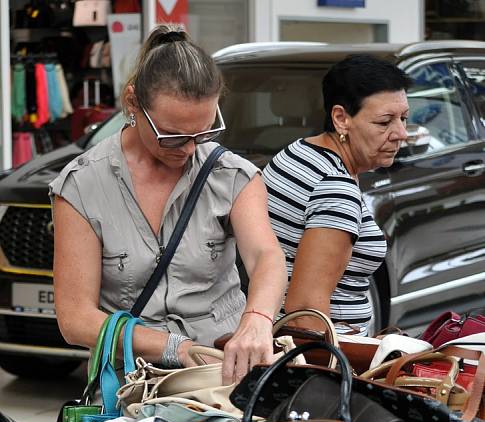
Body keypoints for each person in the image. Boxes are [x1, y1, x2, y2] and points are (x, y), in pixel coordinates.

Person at [50, 26, 287, 385]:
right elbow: (75, 319)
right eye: (173, 136)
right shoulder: (83, 184)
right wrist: (176, 348)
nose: (190, 149)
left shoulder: (232, 175)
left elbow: (266, 257)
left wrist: (257, 318)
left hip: (223, 377)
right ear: (133, 104)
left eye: (204, 133)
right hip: (132, 385)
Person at [262, 54, 411, 335]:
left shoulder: (296, 152)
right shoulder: (335, 188)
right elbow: (305, 313)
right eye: (384, 122)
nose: (401, 133)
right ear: (341, 118)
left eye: (403, 118)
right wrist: (337, 372)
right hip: (325, 357)